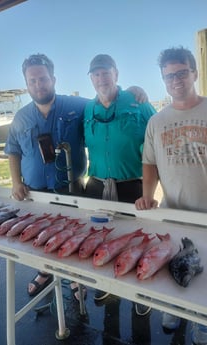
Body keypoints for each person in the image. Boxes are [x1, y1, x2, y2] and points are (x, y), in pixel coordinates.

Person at [5, 53, 148, 299]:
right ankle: (44, 271)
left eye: (43, 79)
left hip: (69, 191)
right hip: (34, 193)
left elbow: (105, 97)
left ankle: (73, 277)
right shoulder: (21, 117)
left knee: (72, 236)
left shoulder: (79, 106)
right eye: (32, 81)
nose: (38, 85)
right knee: (39, 239)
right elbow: (13, 151)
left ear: (53, 79)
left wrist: (133, 90)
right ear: (27, 84)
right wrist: (16, 182)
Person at [135, 46, 207, 345]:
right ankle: (174, 309)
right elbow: (150, 163)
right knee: (174, 269)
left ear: (194, 73)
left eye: (182, 72)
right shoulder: (156, 122)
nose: (176, 80)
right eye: (169, 75)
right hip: (172, 214)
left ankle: (204, 321)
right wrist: (147, 197)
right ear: (163, 79)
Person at [84, 54, 156, 308]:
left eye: (106, 72)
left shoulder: (139, 102)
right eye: (96, 74)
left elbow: (159, 139)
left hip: (131, 186)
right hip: (95, 186)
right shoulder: (87, 109)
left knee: (137, 240)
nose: (101, 78)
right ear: (91, 79)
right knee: (99, 240)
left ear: (116, 74)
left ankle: (141, 294)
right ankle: (106, 286)